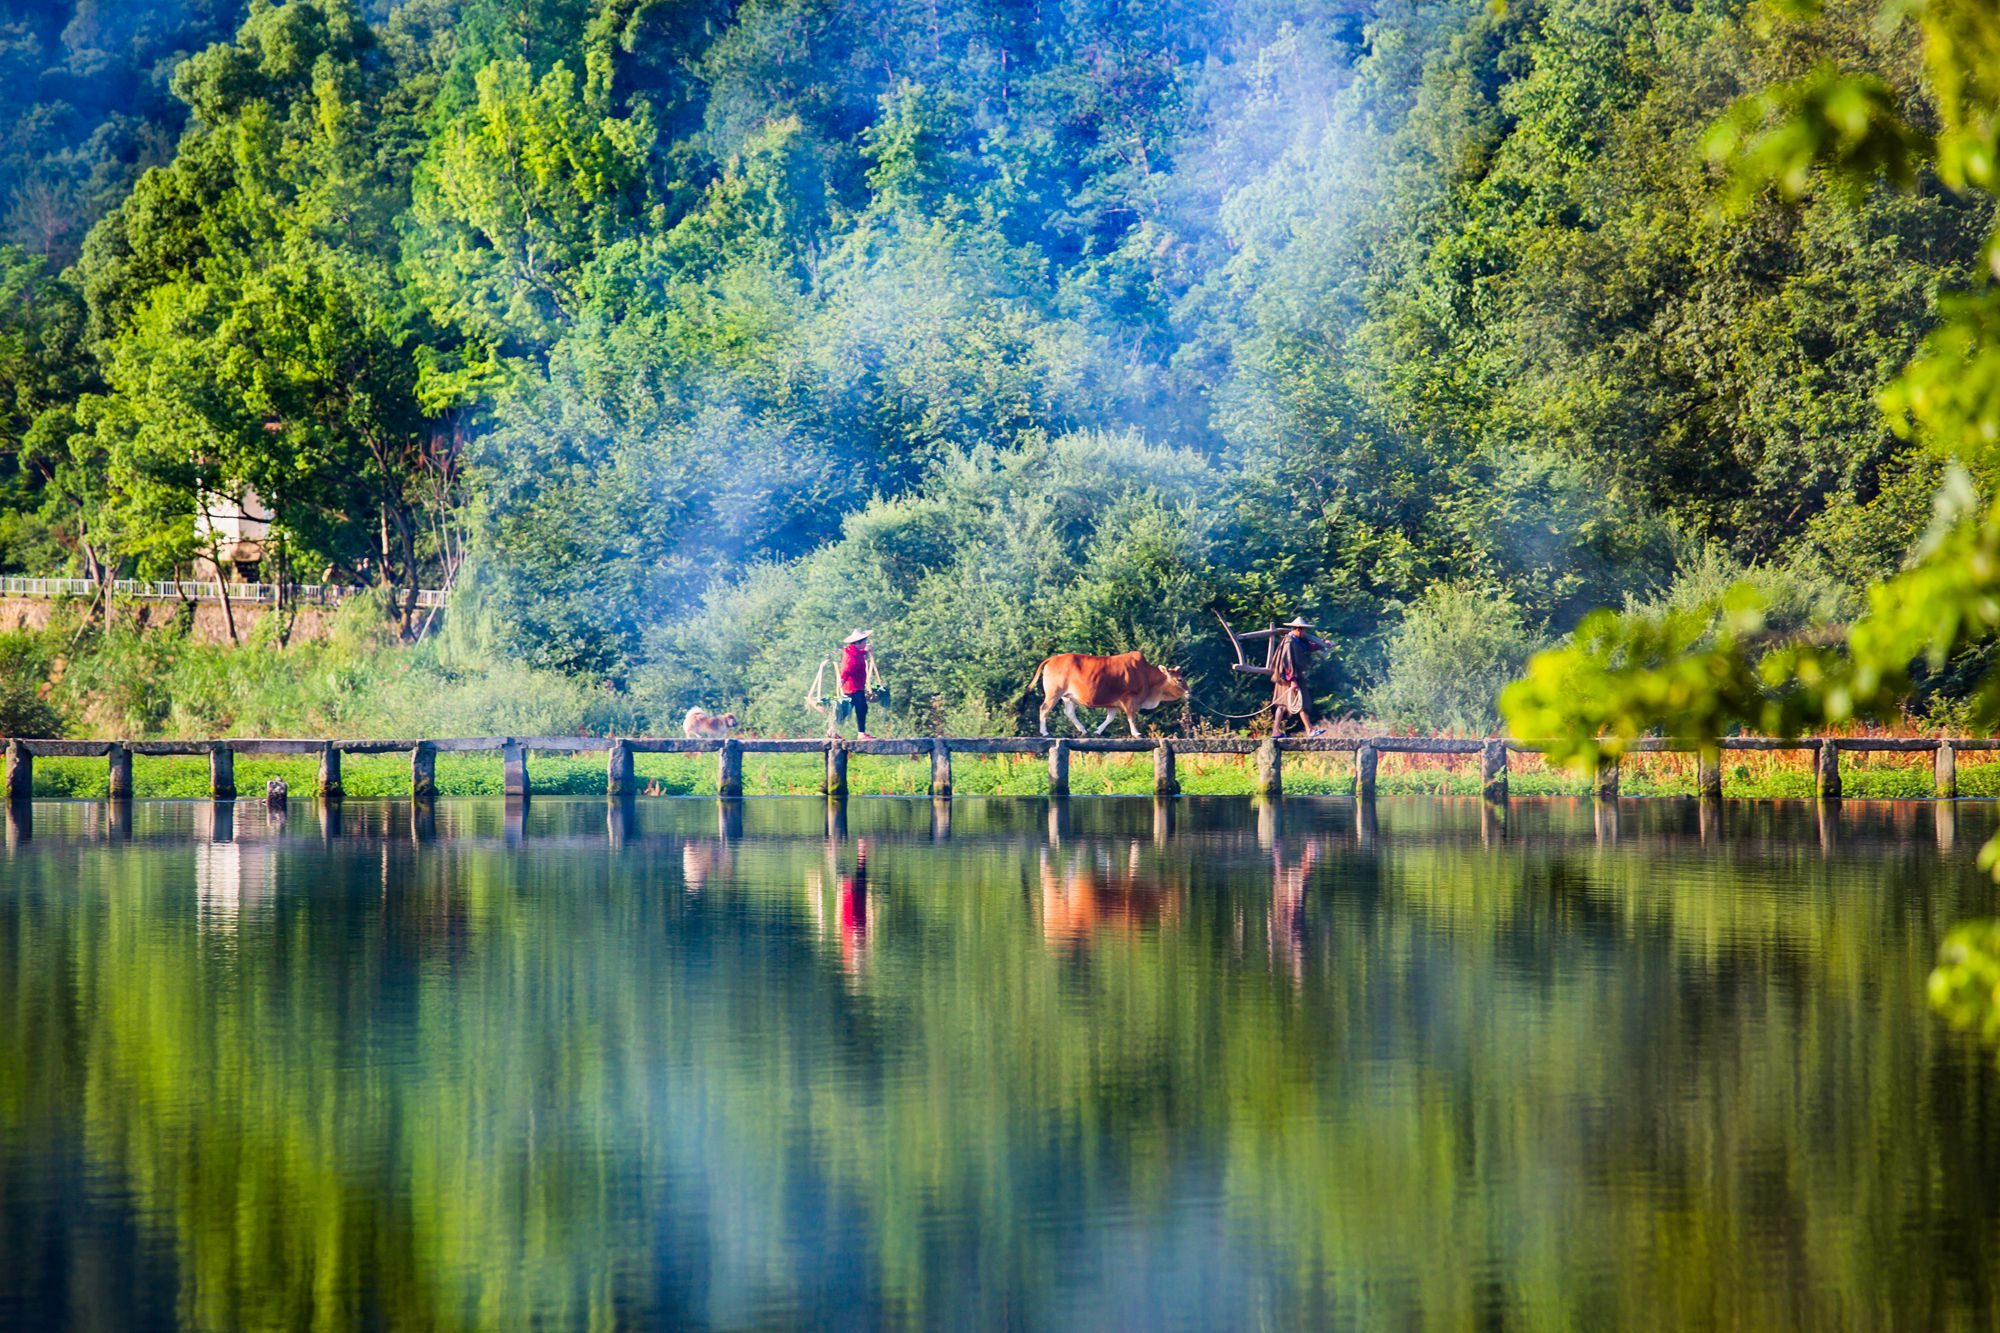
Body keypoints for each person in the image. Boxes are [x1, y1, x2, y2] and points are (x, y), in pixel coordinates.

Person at [1269, 616, 1331, 737]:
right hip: (1288, 678)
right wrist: (1292, 681)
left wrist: (1322, 644)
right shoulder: (1289, 642)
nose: (1305, 633)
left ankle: (1305, 730)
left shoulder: (1297, 640)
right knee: (1292, 703)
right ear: (1298, 629)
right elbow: (1286, 662)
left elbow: (1308, 647)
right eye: (1303, 630)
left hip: (1293, 677)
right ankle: (1309, 730)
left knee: (1288, 704)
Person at [838, 628, 880, 739]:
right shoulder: (851, 654)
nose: (866, 643)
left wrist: (865, 651)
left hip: (856, 686)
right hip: (853, 687)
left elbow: (859, 656)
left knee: (848, 710)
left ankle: (832, 730)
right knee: (861, 707)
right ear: (858, 643)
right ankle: (861, 733)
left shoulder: (854, 651)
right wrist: (842, 679)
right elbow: (848, 667)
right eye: (864, 641)